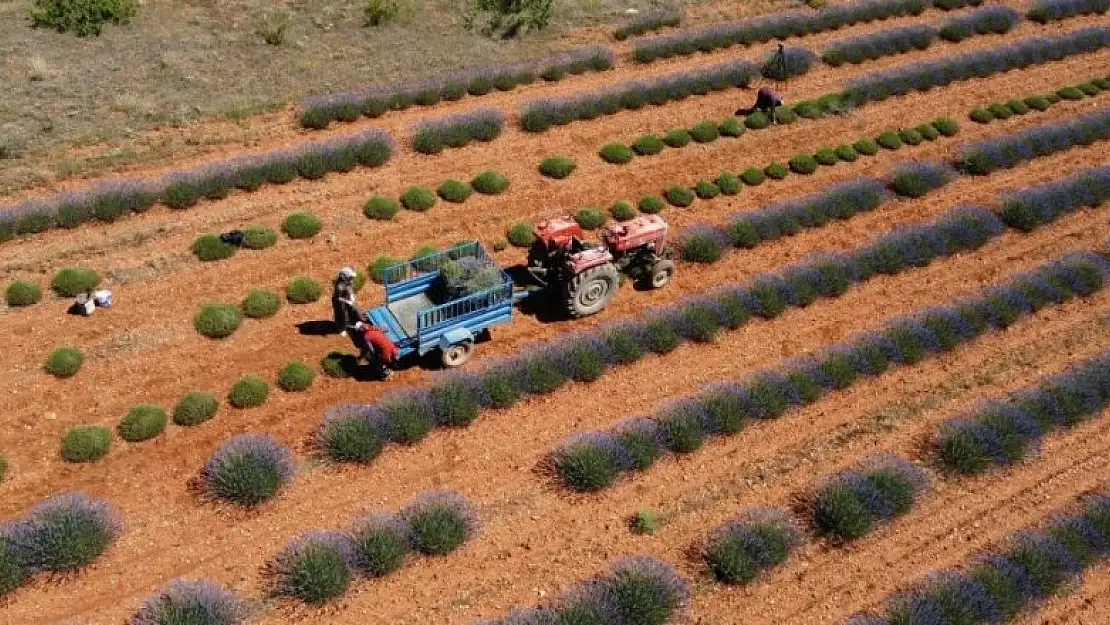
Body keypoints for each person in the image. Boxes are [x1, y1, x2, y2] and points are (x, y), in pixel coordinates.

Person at [332, 267, 359, 336]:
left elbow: (350, 288)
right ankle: (341, 328)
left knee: (352, 310)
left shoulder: (349, 281)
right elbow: (338, 298)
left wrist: (351, 295)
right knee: (341, 314)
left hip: (346, 298)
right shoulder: (339, 287)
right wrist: (347, 301)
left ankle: (351, 323)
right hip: (339, 301)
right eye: (350, 277)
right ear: (344, 277)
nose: (352, 279)